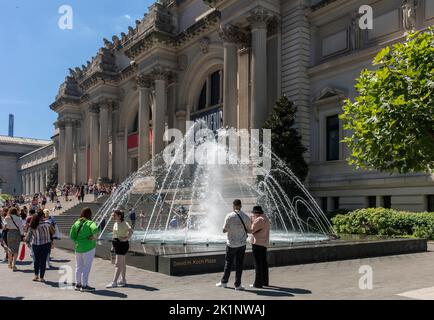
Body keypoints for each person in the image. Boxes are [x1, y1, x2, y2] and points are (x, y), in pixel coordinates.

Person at [216, 199, 251, 290]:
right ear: (241, 205)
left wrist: (231, 229)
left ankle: (224, 282)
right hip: (242, 244)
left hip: (231, 244)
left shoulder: (229, 216)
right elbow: (249, 230)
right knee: (239, 264)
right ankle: (238, 285)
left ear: (233, 205)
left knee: (228, 263)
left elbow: (224, 230)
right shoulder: (246, 217)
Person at [69, 207, 99, 292]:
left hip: (78, 248)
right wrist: (93, 237)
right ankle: (84, 286)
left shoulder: (77, 223)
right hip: (88, 248)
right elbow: (96, 230)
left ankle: (78, 284)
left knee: (78, 266)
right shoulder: (90, 223)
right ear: (90, 215)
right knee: (86, 267)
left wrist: (78, 241)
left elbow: (71, 236)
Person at [106, 210, 133, 288]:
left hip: (122, 245)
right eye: (112, 215)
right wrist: (112, 245)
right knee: (123, 264)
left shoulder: (124, 223)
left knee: (118, 264)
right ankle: (123, 280)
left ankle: (114, 282)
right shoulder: (115, 223)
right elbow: (114, 235)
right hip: (117, 244)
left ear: (119, 216)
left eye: (114, 215)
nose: (112, 216)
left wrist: (126, 238)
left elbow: (131, 231)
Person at [26, 210, 55, 282]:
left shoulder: (32, 225)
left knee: (36, 260)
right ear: (42, 216)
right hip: (46, 244)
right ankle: (42, 277)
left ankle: (36, 275)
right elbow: (53, 232)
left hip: (36, 245)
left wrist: (27, 242)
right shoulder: (48, 223)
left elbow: (28, 236)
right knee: (43, 261)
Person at [250, 206, 270, 288]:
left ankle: (257, 283)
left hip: (257, 243)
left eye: (254, 213)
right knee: (264, 263)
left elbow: (252, 229)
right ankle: (265, 282)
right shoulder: (265, 218)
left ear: (257, 212)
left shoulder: (259, 219)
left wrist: (252, 221)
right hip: (264, 243)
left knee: (257, 264)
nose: (254, 215)